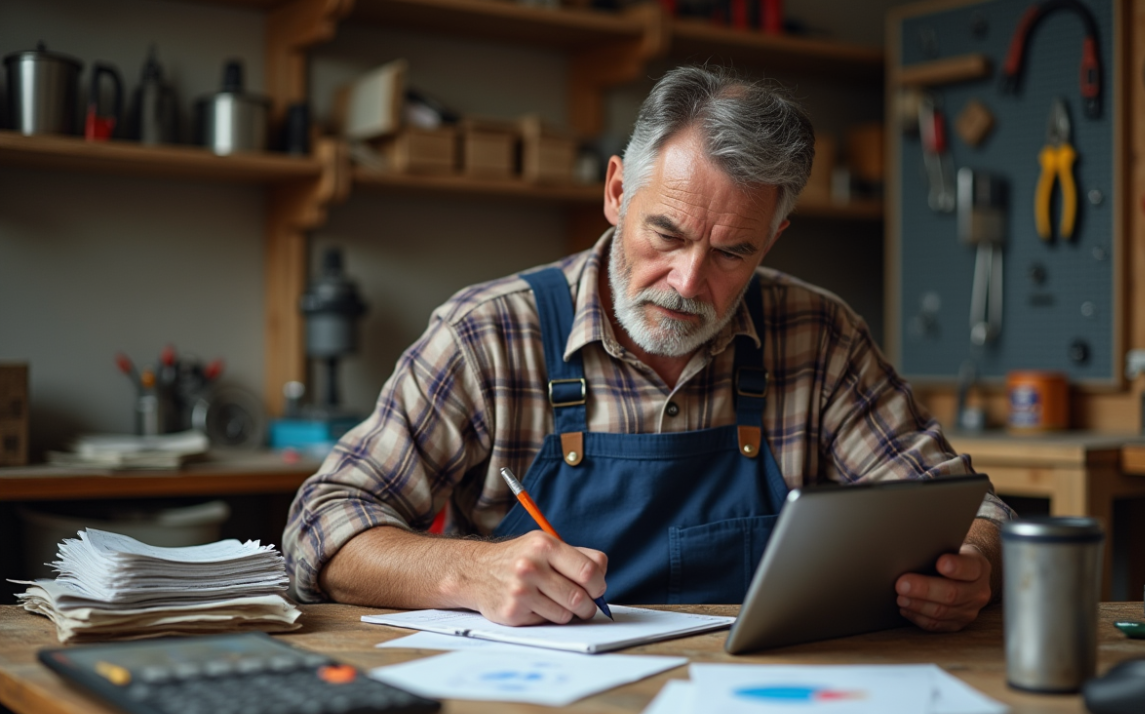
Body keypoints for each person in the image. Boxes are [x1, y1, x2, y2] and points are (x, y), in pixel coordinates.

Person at [284, 65, 1013, 633]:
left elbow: (966, 509)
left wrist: (974, 562)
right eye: (666, 234)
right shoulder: (487, 335)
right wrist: (466, 572)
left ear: (774, 239)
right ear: (615, 191)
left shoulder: (816, 337)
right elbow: (323, 525)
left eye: (733, 252)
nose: (689, 280)